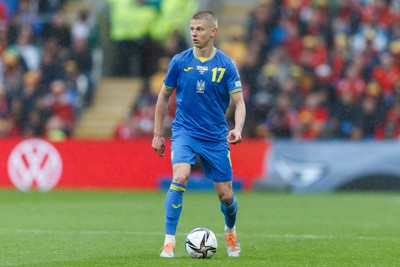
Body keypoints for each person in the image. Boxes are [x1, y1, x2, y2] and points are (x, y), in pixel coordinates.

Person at [152, 10, 246, 258]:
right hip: (185, 132)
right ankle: (169, 241)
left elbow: (240, 102)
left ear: (213, 32)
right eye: (192, 29)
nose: (194, 33)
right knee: (180, 176)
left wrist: (237, 128)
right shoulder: (179, 62)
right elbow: (163, 97)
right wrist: (158, 134)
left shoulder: (226, 64)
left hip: (215, 137)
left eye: (200, 29)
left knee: (226, 195)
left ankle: (231, 232)